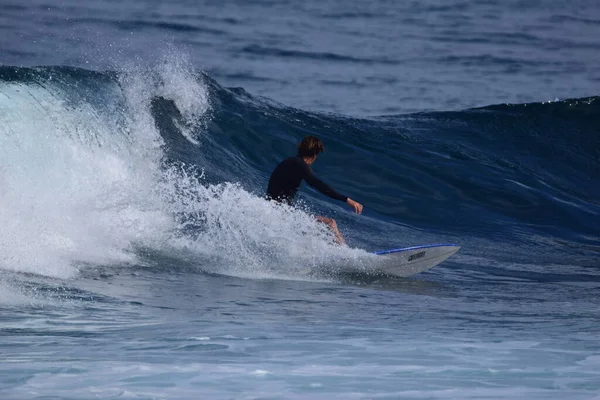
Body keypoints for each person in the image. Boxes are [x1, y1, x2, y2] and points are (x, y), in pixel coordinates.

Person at [266, 136, 363, 245]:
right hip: (282, 214)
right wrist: (346, 199)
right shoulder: (301, 165)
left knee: (312, 231)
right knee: (330, 223)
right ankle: (346, 254)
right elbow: (317, 184)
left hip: (274, 210)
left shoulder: (288, 162)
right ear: (314, 155)